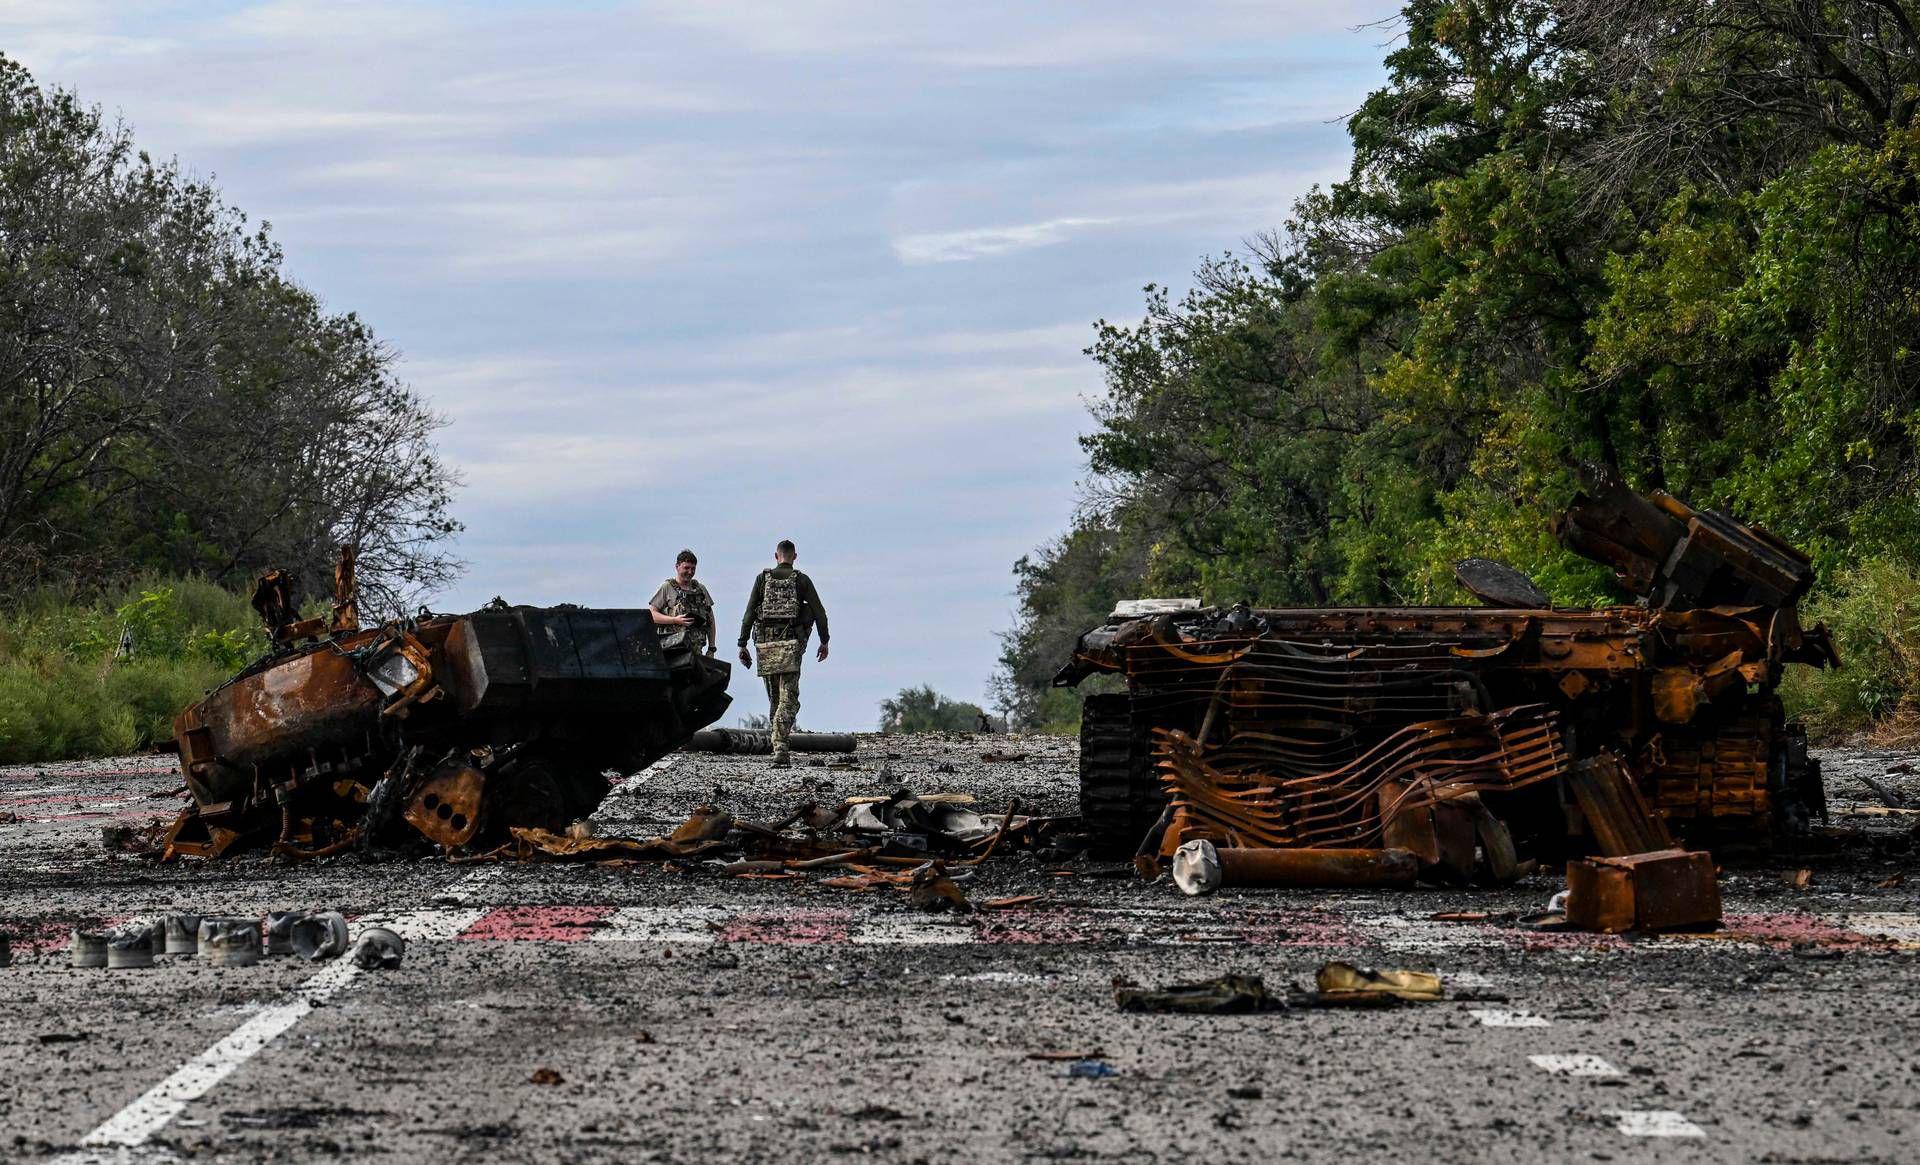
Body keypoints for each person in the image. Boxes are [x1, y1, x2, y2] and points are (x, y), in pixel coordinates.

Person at [737, 539, 829, 766]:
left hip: (766, 645)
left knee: (775, 699)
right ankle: (781, 748)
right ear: (794, 557)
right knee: (789, 699)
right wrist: (824, 641)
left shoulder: (762, 579)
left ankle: (778, 745)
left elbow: (749, 612)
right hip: (791, 645)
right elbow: (819, 612)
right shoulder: (802, 580)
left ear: (776, 556)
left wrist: (742, 643)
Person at [649, 549, 717, 656]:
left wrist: (712, 648)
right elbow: (652, 614)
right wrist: (674, 620)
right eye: (686, 568)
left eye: (693, 569)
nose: (690, 572)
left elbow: (710, 619)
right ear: (677, 567)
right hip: (672, 650)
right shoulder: (667, 587)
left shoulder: (700, 589)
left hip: (696, 649)